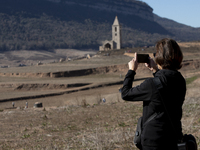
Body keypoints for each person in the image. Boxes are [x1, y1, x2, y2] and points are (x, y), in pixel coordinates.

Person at [121, 38, 186, 150]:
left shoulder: (150, 84)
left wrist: (131, 71)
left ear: (160, 57)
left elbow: (125, 93)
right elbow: (164, 87)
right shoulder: (180, 80)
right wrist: (156, 71)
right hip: (173, 139)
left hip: (153, 141)